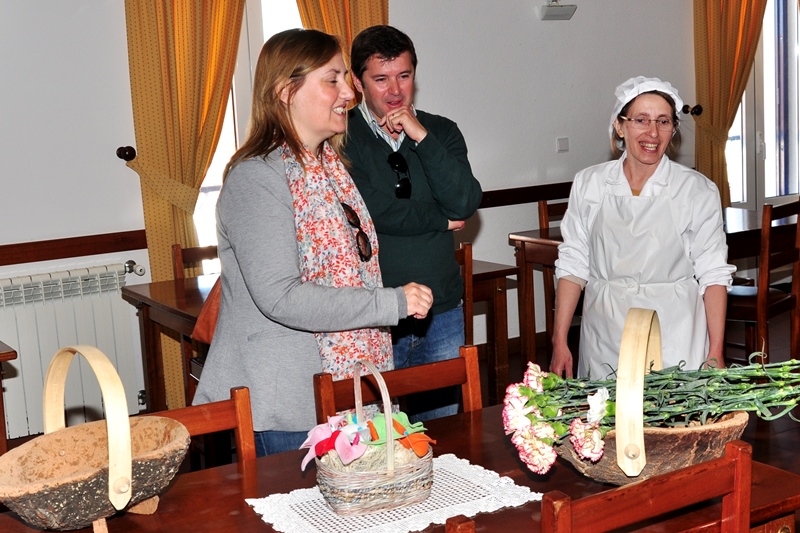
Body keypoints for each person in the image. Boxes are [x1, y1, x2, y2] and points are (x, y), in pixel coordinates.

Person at [193, 29, 433, 457]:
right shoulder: (257, 177)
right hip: (288, 400)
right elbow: (281, 298)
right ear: (286, 91)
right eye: (333, 79)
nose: (349, 93)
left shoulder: (329, 167)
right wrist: (391, 303)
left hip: (343, 386)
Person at [551, 76, 734, 379]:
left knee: (671, 422)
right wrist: (560, 340)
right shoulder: (590, 184)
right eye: (641, 119)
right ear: (620, 126)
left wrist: (716, 350)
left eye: (663, 121)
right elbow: (573, 264)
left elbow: (713, 273)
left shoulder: (696, 190)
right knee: (607, 421)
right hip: (605, 333)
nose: (653, 132)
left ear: (674, 130)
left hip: (674, 332)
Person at [345, 25, 483, 420]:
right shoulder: (342, 136)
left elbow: (466, 200)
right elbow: (372, 212)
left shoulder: (440, 131)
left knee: (444, 437)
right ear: (357, 82)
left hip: (440, 312)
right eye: (381, 79)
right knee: (376, 442)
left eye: (404, 76)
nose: (395, 91)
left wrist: (420, 136)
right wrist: (440, 219)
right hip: (373, 315)